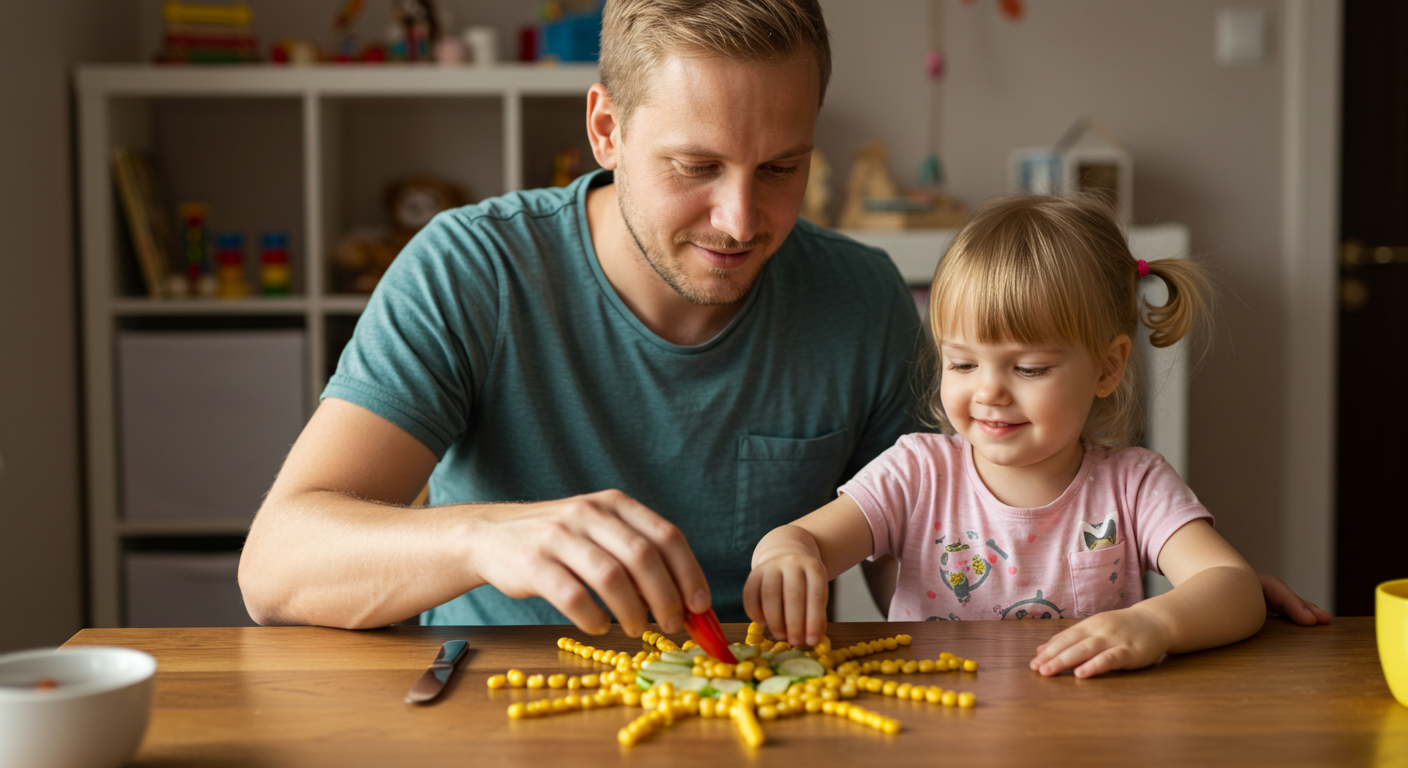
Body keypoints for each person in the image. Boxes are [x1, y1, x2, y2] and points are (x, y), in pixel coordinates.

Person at [238, 0, 925, 636]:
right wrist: (483, 537)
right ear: (606, 130)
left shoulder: (863, 297)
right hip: (497, 714)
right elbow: (275, 570)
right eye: (696, 166)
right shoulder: (474, 270)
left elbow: (924, 549)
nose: (740, 221)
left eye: (781, 169)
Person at [744, 194, 1326, 679]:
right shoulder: (916, 472)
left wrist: (1154, 623)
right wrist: (786, 552)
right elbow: (805, 541)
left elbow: (1233, 587)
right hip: (936, 735)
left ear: (1107, 367)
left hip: (1083, 737)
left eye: (1028, 369)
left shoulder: (1135, 484)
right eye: (963, 364)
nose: (989, 392)